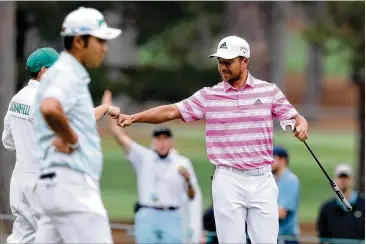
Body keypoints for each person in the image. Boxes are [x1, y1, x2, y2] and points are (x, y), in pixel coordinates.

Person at [117, 35, 309, 243]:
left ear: (244, 61)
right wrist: (135, 117)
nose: (222, 67)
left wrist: (301, 126)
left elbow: (296, 118)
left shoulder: (268, 91)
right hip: (228, 179)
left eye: (228, 62)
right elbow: (172, 111)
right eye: (220, 62)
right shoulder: (209, 96)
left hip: (263, 179)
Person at [32, 7, 122, 243]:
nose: (104, 48)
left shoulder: (66, 72)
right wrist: (72, 139)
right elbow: (50, 107)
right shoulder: (67, 71)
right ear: (80, 41)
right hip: (73, 187)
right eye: (100, 40)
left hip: (52, 186)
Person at [102, 90, 199, 244]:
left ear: (171, 141)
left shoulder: (182, 162)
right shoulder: (144, 156)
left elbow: (192, 196)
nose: (162, 143)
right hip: (147, 213)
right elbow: (118, 134)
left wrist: (188, 180)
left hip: (172, 215)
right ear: (154, 141)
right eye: (158, 139)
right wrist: (106, 107)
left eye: (165, 139)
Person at [2, 47, 59, 243]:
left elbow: (7, 141)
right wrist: (105, 109)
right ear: (43, 71)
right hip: (41, 180)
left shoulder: (16, 99)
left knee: (22, 238)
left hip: (19, 179)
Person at [317, 164, 365, 244]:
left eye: (346, 177)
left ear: (353, 180)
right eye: (340, 177)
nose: (343, 180)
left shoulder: (364, 205)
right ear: (334, 180)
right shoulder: (326, 208)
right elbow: (323, 237)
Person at [271, 145, 300, 244]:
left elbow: (281, 213)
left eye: (273, 158)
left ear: (282, 160)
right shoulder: (273, 179)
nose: (269, 161)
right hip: (276, 237)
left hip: (287, 238)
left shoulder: (290, 180)